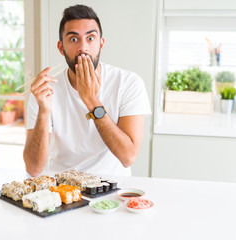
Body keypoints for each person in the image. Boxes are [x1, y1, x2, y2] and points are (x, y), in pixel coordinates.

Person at [23, 4, 151, 177]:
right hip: (63, 187)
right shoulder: (45, 91)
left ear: (101, 44)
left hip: (112, 186)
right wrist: (44, 111)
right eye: (74, 39)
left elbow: (128, 157)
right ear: (61, 48)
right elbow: (33, 169)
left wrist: (91, 100)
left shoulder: (129, 83)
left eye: (90, 38)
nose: (83, 48)